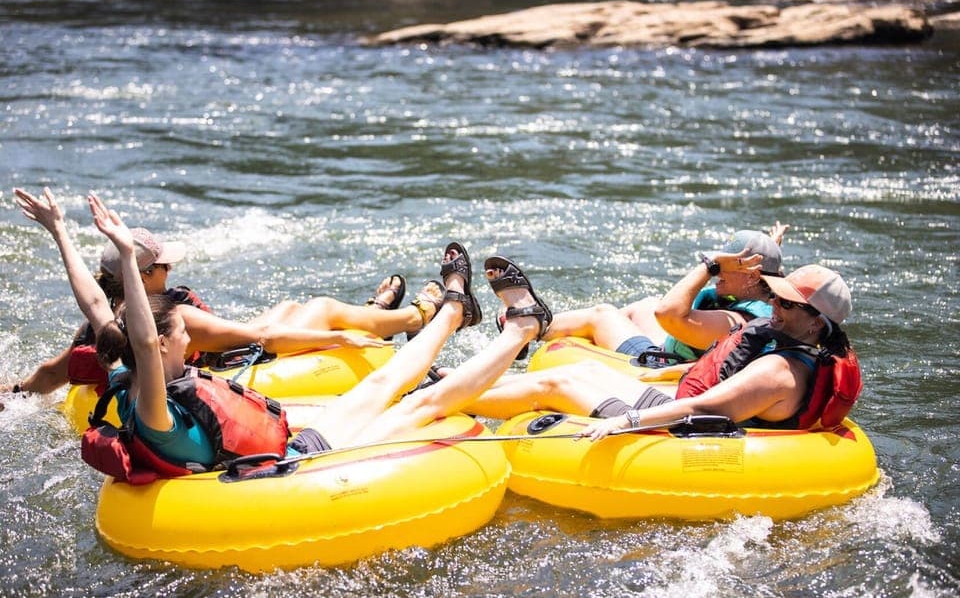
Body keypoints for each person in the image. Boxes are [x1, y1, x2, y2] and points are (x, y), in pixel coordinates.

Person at [83, 192, 553, 473]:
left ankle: (453, 311)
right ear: (160, 344)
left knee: (384, 381)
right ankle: (521, 329)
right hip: (301, 462)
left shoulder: (127, 375)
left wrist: (60, 231)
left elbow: (96, 304)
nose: (189, 338)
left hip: (297, 444)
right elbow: (144, 339)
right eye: (181, 332)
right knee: (423, 402)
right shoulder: (153, 407)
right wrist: (126, 254)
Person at [2, 187, 439, 396]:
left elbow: (49, 372)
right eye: (165, 265)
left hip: (219, 342)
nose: (171, 270)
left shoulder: (103, 330)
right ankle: (417, 316)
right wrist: (336, 339)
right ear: (147, 276)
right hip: (244, 360)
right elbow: (263, 340)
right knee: (321, 308)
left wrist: (14, 391)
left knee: (289, 304)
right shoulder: (173, 317)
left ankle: (373, 310)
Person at [465, 263, 860, 434]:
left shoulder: (781, 371)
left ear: (815, 322)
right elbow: (726, 381)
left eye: (786, 303)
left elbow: (705, 409)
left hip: (680, 432)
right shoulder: (808, 349)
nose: (774, 305)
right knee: (584, 373)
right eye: (775, 297)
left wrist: (625, 422)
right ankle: (451, 385)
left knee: (555, 384)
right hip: (693, 414)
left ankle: (453, 401)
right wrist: (670, 373)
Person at [534, 227, 787, 366]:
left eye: (727, 265)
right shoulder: (762, 293)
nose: (718, 272)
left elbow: (667, 314)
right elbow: (769, 277)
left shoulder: (735, 322)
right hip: (674, 349)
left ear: (753, 276)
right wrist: (769, 246)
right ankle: (587, 341)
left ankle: (533, 326)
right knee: (646, 304)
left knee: (603, 314)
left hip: (663, 367)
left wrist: (709, 265)